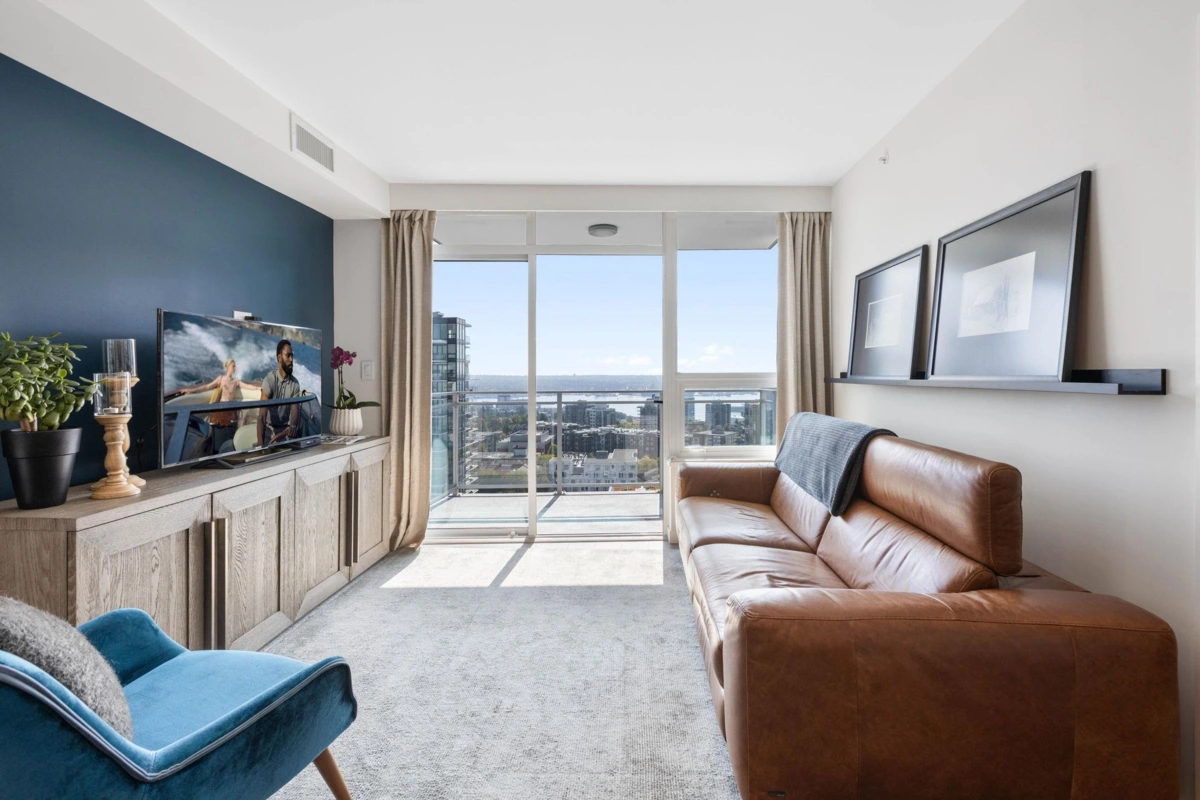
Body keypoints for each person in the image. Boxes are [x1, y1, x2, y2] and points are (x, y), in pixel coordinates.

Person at [179, 360, 260, 454]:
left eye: (235, 366)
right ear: (228, 367)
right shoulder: (221, 379)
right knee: (217, 430)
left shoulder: (236, 381)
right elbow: (207, 387)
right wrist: (192, 391)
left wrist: (259, 389)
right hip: (220, 408)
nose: (234, 368)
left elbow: (248, 386)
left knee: (235, 425)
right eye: (233, 366)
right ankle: (214, 449)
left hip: (230, 409)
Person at [258, 339, 302, 447]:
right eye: (288, 356)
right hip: (269, 429)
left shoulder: (295, 384)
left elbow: (294, 410)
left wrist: (292, 426)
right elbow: (262, 417)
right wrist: (260, 447)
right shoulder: (269, 380)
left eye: (292, 356)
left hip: (284, 431)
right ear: (279, 358)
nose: (291, 360)